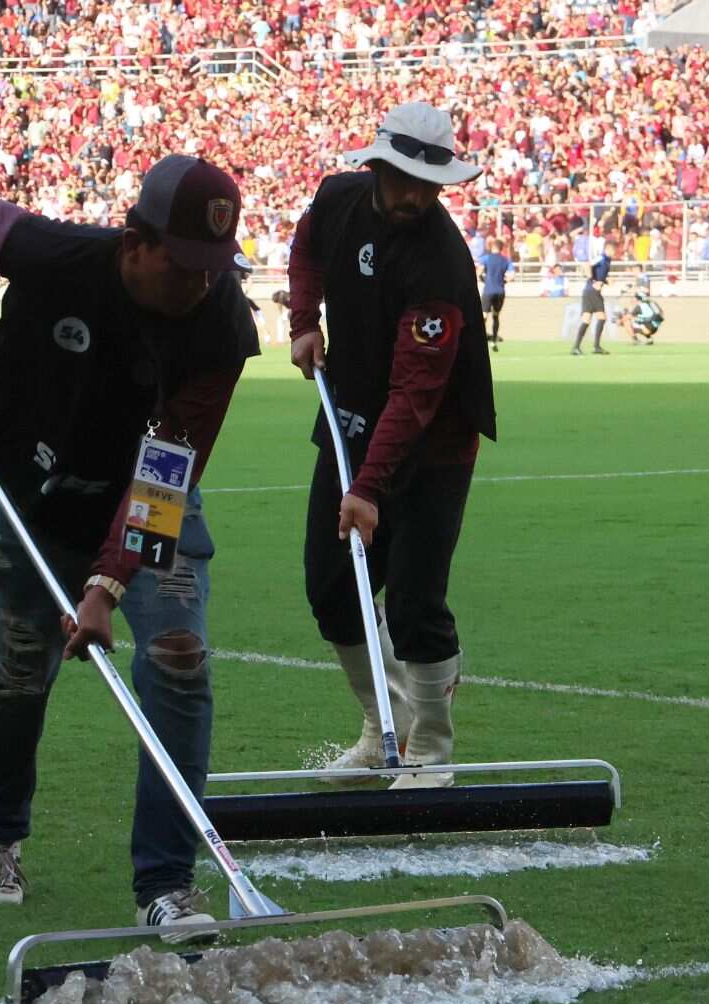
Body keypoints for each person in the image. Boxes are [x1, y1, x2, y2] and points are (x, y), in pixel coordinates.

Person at [0, 155, 257, 940]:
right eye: (184, 264)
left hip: (145, 491)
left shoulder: (221, 322)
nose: (200, 283)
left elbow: (171, 465)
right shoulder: (52, 252)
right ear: (135, 242)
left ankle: (167, 884)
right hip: (31, 492)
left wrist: (107, 582)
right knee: (19, 667)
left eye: (215, 268)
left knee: (176, 655)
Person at [286, 101, 497, 790]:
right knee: (331, 587)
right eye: (401, 177)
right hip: (349, 419)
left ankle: (431, 751)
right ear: (375, 166)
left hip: (432, 446)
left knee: (413, 601)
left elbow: (416, 395)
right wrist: (302, 320)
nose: (413, 194)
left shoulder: (440, 260)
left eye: (427, 183)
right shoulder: (340, 198)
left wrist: (367, 490)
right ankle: (385, 729)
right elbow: (305, 243)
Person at [571, 243, 611, 355]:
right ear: (608, 249)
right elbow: (586, 264)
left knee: (587, 319)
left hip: (590, 292)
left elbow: (599, 274)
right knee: (600, 317)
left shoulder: (607, 260)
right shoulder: (601, 257)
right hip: (592, 291)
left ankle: (577, 347)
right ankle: (595, 346)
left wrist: (606, 281)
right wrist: (593, 280)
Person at [476, 238, 512, 349]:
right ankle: (494, 341)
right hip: (500, 291)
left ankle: (479, 340)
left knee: (484, 315)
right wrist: (503, 281)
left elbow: (479, 272)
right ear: (501, 248)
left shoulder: (486, 258)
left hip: (488, 290)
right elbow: (511, 276)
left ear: (492, 247)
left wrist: (483, 279)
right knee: (496, 316)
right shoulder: (506, 260)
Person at [622, 277, 663, 344]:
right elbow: (661, 313)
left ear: (638, 298)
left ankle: (635, 340)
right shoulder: (652, 302)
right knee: (640, 321)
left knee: (626, 322)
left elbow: (627, 317)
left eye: (635, 297)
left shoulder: (639, 306)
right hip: (655, 328)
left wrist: (619, 321)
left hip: (648, 328)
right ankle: (649, 339)